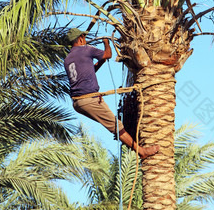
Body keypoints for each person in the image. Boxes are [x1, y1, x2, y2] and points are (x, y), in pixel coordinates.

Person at [64, 28, 159, 160]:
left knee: (111, 123)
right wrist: (106, 43)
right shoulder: (86, 49)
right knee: (116, 126)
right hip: (89, 100)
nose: (85, 40)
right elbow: (108, 54)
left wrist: (100, 62)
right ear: (80, 39)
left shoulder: (68, 59)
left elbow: (88, 73)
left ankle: (131, 142)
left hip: (78, 103)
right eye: (84, 38)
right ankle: (141, 151)